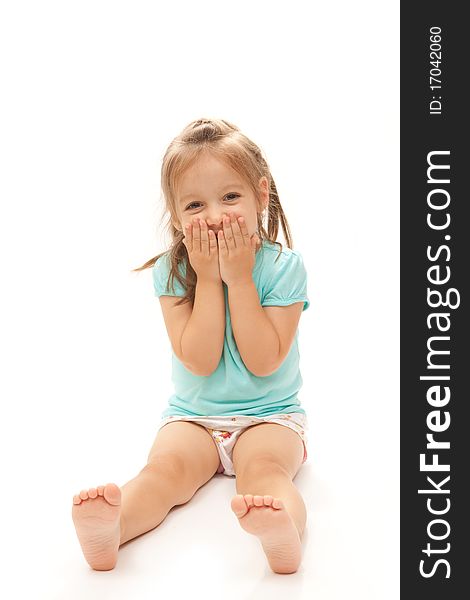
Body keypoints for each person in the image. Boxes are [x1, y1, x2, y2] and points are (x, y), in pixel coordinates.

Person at [71, 118, 311, 575]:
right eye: (196, 204)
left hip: (271, 416)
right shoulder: (172, 272)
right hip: (193, 418)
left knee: (264, 473)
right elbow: (199, 361)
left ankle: (285, 531)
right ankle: (112, 528)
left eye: (231, 196)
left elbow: (264, 362)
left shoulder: (284, 268)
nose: (215, 215)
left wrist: (238, 277)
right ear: (177, 215)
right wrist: (206, 278)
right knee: (164, 472)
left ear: (262, 195)